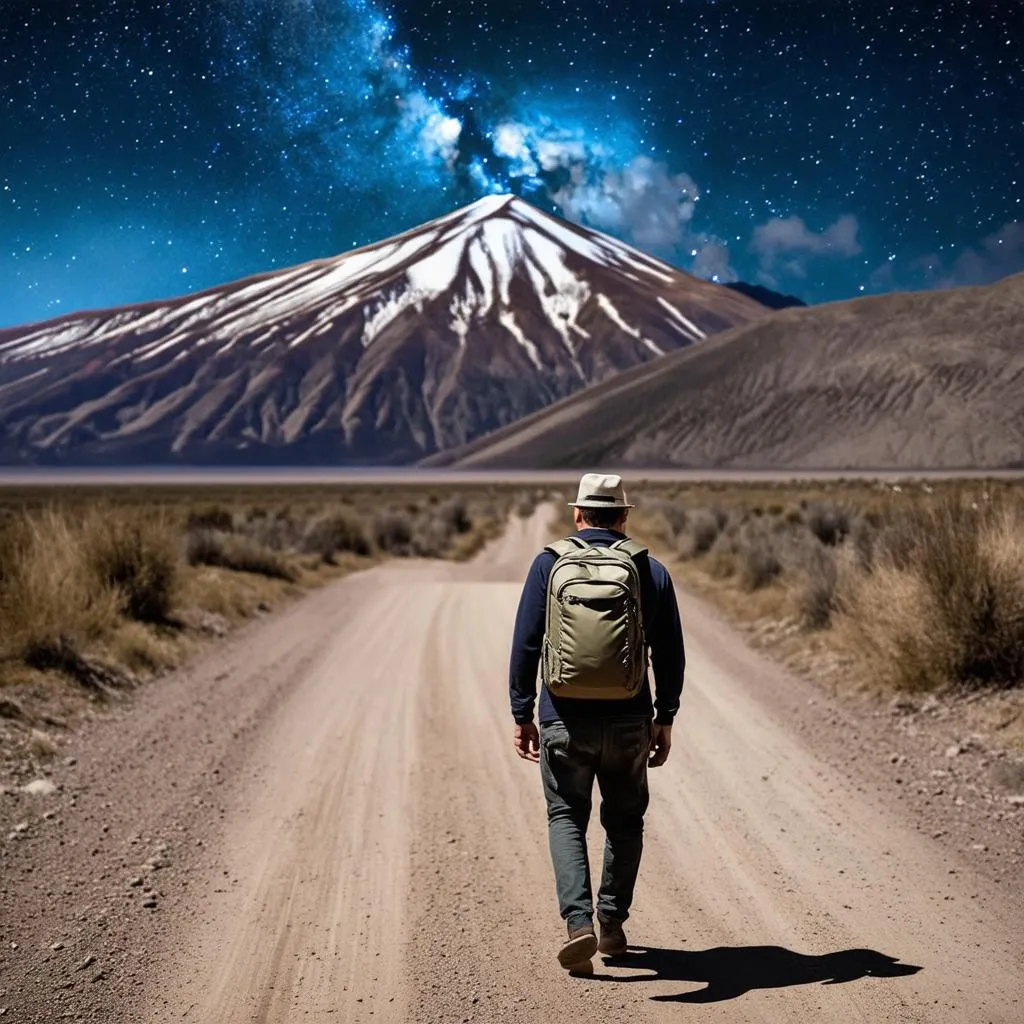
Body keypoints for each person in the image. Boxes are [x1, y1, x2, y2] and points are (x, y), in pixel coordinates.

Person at [509, 472, 685, 975]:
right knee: (625, 820)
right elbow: (670, 653)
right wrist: (665, 717)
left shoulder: (549, 564)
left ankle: (578, 924)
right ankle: (611, 924)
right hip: (630, 718)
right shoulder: (648, 569)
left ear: (578, 514)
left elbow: (525, 643)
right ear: (625, 517)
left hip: (564, 718)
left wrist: (522, 714)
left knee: (566, 815)